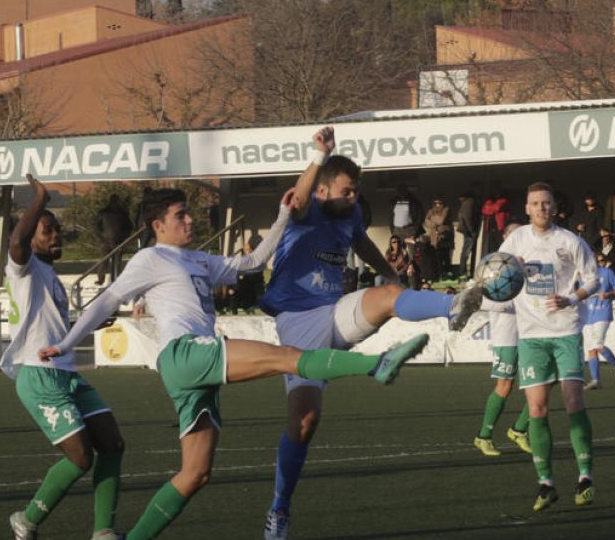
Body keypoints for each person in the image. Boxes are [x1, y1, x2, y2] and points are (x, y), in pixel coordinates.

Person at [41, 171, 433, 540]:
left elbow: (252, 263)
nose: (191, 220)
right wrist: (67, 341)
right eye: (181, 215)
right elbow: (107, 299)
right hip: (186, 354)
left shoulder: (198, 259)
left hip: (193, 369)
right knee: (289, 356)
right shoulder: (149, 259)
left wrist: (281, 216)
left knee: (195, 473)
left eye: (189, 212)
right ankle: (377, 363)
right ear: (158, 226)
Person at [260, 127, 482, 539]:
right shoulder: (306, 209)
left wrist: (387, 270)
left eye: (355, 190)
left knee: (387, 295)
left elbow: (359, 240)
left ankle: (453, 307)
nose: (353, 197)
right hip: (297, 319)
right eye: (346, 190)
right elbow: (302, 194)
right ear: (325, 189)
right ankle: (280, 509)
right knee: (304, 422)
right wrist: (319, 155)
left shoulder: (351, 214)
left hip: (335, 310)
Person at [4, 175, 126, 540]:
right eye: (47, 230)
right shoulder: (22, 269)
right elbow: (15, 241)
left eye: (58, 230)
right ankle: (25, 521)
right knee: (81, 458)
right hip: (39, 376)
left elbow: (54, 328)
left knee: (112, 444)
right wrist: (39, 198)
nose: (56, 235)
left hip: (67, 373)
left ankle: (103, 531)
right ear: (31, 237)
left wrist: (88, 323)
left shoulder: (51, 278)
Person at [496, 182, 599, 511]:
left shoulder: (570, 241)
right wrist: (509, 269)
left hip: (565, 330)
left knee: (572, 400)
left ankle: (585, 476)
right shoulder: (516, 240)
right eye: (535, 203)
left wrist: (571, 297)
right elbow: (496, 273)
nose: (541, 208)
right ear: (527, 209)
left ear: (555, 208)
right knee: (537, 408)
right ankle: (545, 483)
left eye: (546, 203)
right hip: (530, 336)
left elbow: (594, 279)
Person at [472, 221, 532, 458]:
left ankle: (519, 430)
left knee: (545, 380)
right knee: (505, 386)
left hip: (531, 333)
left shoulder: (531, 265)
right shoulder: (493, 266)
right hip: (507, 336)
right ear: (506, 238)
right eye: (514, 234)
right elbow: (487, 301)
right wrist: (518, 300)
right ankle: (483, 436)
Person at [582, 254, 615, 390]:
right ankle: (596, 380)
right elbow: (580, 293)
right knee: (591, 349)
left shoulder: (607, 273)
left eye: (600, 260)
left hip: (602, 313)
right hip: (588, 315)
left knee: (598, 345)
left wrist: (608, 295)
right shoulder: (583, 276)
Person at [96, 194, 134, 285]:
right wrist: (124, 238)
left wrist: (101, 236)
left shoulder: (104, 212)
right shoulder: (122, 213)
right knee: (115, 261)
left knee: (104, 260)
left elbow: (97, 227)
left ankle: (102, 279)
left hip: (107, 239)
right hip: (117, 240)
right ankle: (114, 278)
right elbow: (129, 227)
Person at [423, 196, 453, 277]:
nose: (437, 205)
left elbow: (441, 220)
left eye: (439, 203)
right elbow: (426, 222)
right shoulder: (430, 211)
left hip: (445, 236)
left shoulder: (446, 209)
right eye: (435, 203)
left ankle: (448, 274)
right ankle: (439, 274)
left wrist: (432, 219)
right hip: (434, 237)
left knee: (446, 256)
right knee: (436, 256)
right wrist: (433, 224)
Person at [456, 189, 479, 278]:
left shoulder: (467, 203)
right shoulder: (469, 203)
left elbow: (467, 217)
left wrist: (469, 229)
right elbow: (468, 217)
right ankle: (463, 272)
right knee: (466, 251)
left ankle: (463, 271)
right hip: (469, 231)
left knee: (465, 251)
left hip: (467, 230)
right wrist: (471, 229)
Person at [481, 188, 510, 253]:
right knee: (491, 245)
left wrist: (489, 209)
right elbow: (483, 211)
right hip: (490, 227)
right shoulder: (489, 202)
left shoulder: (503, 201)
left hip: (499, 227)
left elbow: (497, 208)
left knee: (500, 245)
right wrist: (490, 207)